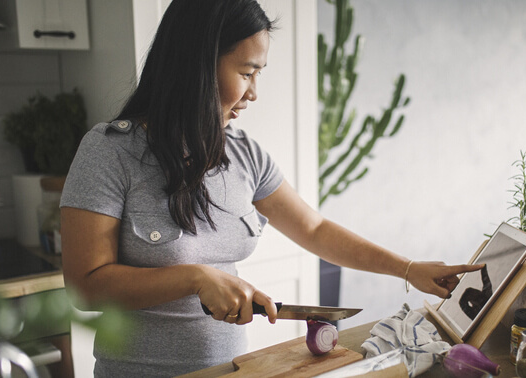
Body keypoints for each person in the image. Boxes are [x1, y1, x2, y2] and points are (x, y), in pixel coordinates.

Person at [60, 0, 485, 376]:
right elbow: (85, 285)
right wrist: (193, 278)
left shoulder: (245, 154)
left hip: (233, 371)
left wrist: (408, 269)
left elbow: (314, 230)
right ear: (196, 64)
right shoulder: (109, 152)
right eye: (247, 72)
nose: (254, 93)